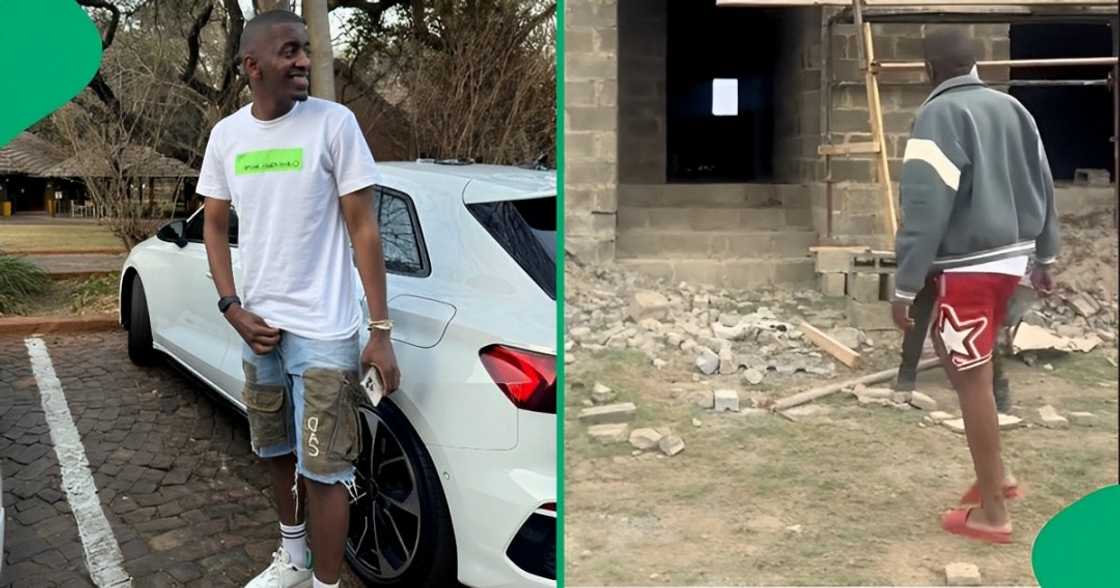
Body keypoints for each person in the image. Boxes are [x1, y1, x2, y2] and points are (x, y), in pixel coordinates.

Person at [199, 9, 401, 588]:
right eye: (290, 51)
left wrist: (380, 332)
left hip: (323, 332)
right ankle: (294, 558)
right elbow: (214, 224)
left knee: (326, 471)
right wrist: (231, 306)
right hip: (258, 328)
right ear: (252, 65)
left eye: (305, 50)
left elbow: (364, 228)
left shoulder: (334, 125)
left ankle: (326, 585)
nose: (304, 62)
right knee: (274, 451)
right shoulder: (227, 136)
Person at [891, 28, 1058, 544]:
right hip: (1013, 263)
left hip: (968, 267)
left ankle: (992, 514)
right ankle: (999, 478)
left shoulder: (938, 116)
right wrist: (1046, 255)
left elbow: (925, 208)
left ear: (928, 70)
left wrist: (904, 285)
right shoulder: (1014, 110)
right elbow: (1044, 182)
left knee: (971, 380)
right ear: (976, 62)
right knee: (961, 356)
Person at [895, 267, 1038, 414]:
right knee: (923, 317)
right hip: (939, 265)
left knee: (971, 328)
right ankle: (906, 378)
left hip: (963, 265)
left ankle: (996, 389)